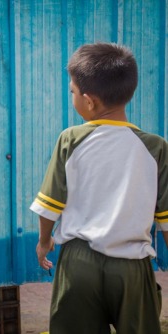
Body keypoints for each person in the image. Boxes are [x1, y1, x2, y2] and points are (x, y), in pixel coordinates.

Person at [30, 42, 168, 334]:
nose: (72, 97)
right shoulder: (155, 148)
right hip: (132, 266)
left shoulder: (70, 139)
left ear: (89, 101)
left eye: (72, 92)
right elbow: (166, 218)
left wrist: (44, 242)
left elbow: (49, 205)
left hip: (79, 263)